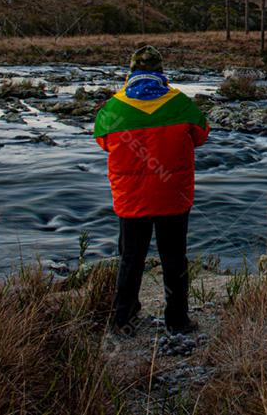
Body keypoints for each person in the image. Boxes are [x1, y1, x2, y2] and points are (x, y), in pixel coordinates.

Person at [93, 45, 210, 335]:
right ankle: (177, 321)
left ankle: (124, 319)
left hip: (131, 199)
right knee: (174, 258)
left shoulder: (112, 108)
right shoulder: (181, 104)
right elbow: (201, 135)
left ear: (131, 71)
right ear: (160, 72)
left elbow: (103, 141)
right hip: (173, 196)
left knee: (131, 258)